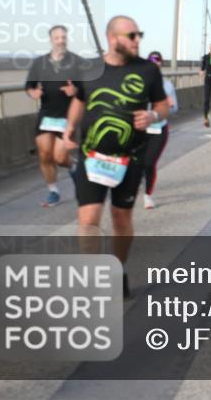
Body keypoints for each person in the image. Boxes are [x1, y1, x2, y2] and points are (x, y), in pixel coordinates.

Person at [62, 16, 169, 299]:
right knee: (88, 219)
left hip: (129, 157)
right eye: (131, 35)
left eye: (139, 35)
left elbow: (162, 104)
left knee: (121, 219)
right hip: (92, 155)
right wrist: (69, 128)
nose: (137, 40)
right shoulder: (90, 68)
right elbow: (79, 100)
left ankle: (118, 269)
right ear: (113, 38)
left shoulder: (148, 70)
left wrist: (153, 115)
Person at [24, 24, 80, 206]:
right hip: (46, 115)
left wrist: (76, 89)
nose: (61, 41)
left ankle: (74, 166)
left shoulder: (76, 61)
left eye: (64, 37)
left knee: (60, 157)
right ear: (51, 40)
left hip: (67, 116)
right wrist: (33, 93)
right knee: (44, 155)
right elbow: (29, 86)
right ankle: (53, 191)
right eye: (57, 38)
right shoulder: (40, 63)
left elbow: (87, 87)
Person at [142, 51, 178, 210]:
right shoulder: (138, 83)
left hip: (159, 129)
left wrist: (169, 106)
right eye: (152, 61)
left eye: (158, 61)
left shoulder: (167, 85)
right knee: (137, 164)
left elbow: (175, 109)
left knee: (149, 163)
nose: (155, 64)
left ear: (160, 64)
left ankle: (147, 195)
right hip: (140, 129)